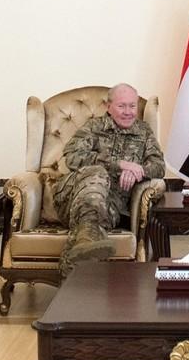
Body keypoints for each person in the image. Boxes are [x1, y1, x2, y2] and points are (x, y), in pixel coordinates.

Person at [53, 83, 165, 278]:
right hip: (72, 198)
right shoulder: (94, 127)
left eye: (132, 106)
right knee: (98, 172)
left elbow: (159, 166)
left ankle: (82, 249)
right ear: (109, 107)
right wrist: (120, 165)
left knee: (96, 216)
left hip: (110, 207)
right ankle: (87, 239)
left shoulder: (143, 132)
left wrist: (138, 170)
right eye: (122, 106)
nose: (128, 112)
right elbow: (72, 156)